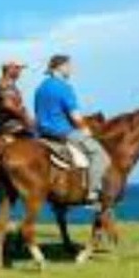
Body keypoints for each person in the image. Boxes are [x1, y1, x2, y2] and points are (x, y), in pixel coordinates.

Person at [34, 54, 110, 204]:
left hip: (42, 134)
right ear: (60, 67)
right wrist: (84, 129)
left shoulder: (40, 88)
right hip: (63, 132)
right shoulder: (64, 87)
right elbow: (75, 115)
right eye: (69, 66)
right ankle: (93, 192)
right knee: (100, 154)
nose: (71, 69)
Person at [0, 59, 35, 139]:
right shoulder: (6, 84)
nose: (19, 71)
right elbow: (9, 105)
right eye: (17, 68)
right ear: (9, 69)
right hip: (14, 128)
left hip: (3, 127)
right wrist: (26, 119)